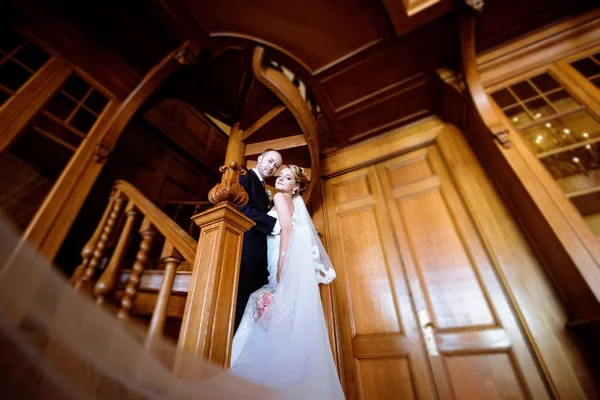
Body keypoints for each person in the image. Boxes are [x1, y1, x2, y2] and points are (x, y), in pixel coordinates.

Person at [230, 165, 345, 399]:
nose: (281, 179)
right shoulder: (293, 204)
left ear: (296, 187)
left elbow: (288, 229)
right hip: (280, 262)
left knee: (260, 305)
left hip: (280, 262)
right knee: (272, 315)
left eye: (288, 177)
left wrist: (282, 263)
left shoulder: (282, 198)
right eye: (280, 175)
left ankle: (244, 375)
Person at [235, 149, 282, 332]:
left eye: (276, 166)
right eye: (270, 161)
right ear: (260, 158)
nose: (272, 167)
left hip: (260, 256)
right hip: (247, 250)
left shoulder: (265, 189)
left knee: (252, 309)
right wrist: (274, 223)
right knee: (241, 304)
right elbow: (241, 208)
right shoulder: (245, 176)